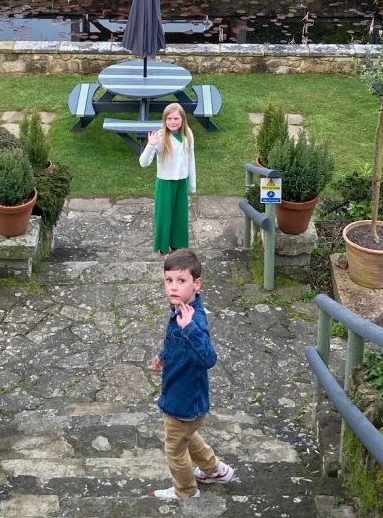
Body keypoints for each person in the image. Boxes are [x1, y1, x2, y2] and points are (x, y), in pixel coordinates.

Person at [150, 249, 235, 501]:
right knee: (187, 435)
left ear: (196, 284)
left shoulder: (192, 320)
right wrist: (164, 354)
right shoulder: (181, 309)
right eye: (169, 281)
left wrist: (190, 329)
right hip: (183, 397)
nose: (173, 287)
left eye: (181, 281)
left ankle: (185, 491)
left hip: (184, 400)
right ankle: (215, 470)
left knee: (174, 449)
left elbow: (209, 358)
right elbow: (175, 340)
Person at [139, 102, 196, 254]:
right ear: (164, 120)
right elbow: (144, 163)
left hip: (181, 182)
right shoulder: (160, 137)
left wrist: (192, 184)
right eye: (169, 118)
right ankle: (163, 246)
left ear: (182, 119)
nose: (172, 122)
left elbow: (191, 160)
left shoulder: (187, 135)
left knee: (180, 215)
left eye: (176, 118)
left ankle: (177, 244)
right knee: (164, 216)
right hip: (165, 183)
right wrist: (150, 146)